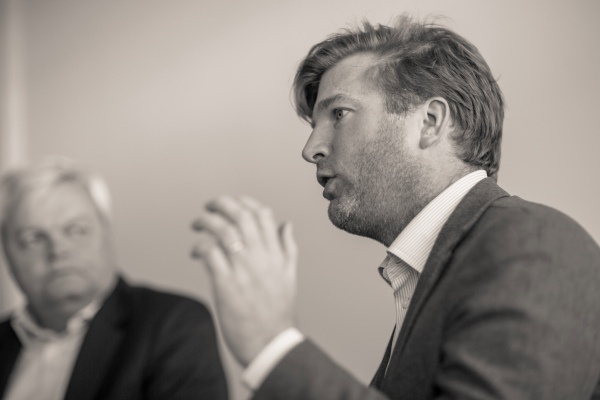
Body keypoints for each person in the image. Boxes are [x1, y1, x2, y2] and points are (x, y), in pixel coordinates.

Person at [191, 14, 600, 400]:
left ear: (430, 122)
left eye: (339, 114)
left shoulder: (536, 246)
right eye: (315, 125)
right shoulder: (432, 274)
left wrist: (273, 348)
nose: (311, 148)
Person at [0, 157, 228, 400]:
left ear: (108, 231)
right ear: (6, 251)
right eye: (33, 239)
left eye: (76, 230)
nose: (58, 250)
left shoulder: (174, 324)